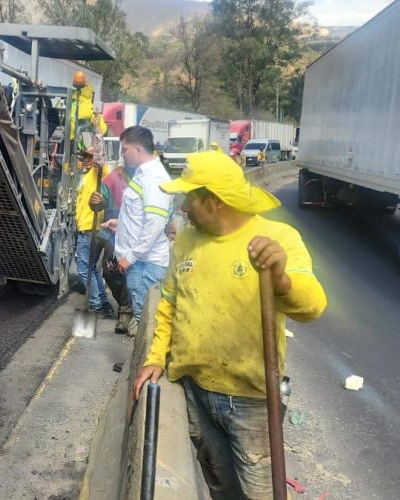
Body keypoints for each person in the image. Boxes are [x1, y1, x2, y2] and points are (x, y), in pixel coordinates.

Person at [132, 150, 327, 499]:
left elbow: (312, 307)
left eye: (189, 197)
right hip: (196, 392)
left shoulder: (276, 238)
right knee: (221, 487)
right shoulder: (187, 242)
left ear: (213, 201)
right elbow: (170, 306)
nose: (183, 208)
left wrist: (280, 279)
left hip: (252, 400)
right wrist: (155, 358)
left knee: (260, 494)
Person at [114, 126, 173, 334]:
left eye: (125, 149)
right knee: (141, 319)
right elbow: (139, 214)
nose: (123, 155)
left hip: (145, 264)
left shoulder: (154, 178)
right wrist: (118, 224)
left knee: (144, 322)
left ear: (138, 149)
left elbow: (154, 223)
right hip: (140, 263)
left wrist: (130, 256)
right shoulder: (143, 174)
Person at [89, 162, 135, 334]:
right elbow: (98, 204)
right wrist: (96, 201)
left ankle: (126, 312)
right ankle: (125, 305)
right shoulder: (112, 178)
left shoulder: (146, 177)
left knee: (132, 272)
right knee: (110, 271)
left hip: (136, 232)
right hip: (112, 230)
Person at [75, 150, 113, 316]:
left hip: (91, 228)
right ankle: (104, 301)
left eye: (90, 157)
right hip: (86, 226)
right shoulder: (88, 175)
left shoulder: (100, 172)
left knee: (84, 268)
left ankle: (96, 304)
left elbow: (104, 167)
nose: (87, 160)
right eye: (85, 157)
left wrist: (99, 157)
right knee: (92, 267)